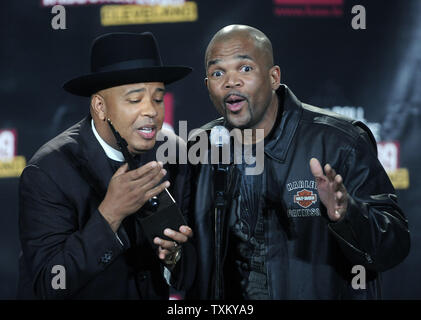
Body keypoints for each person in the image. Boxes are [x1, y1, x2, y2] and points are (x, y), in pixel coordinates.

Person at [187, 24, 410, 299]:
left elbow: (394, 246)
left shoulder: (341, 142)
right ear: (207, 86)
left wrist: (347, 214)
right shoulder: (198, 150)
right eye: (217, 72)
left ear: (273, 77)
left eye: (245, 68)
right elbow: (189, 267)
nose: (231, 81)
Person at [18, 32, 195, 299]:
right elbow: (49, 284)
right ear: (100, 106)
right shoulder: (48, 172)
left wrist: (175, 256)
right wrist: (110, 214)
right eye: (135, 99)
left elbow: (193, 274)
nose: (151, 111)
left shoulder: (173, 154)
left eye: (158, 98)